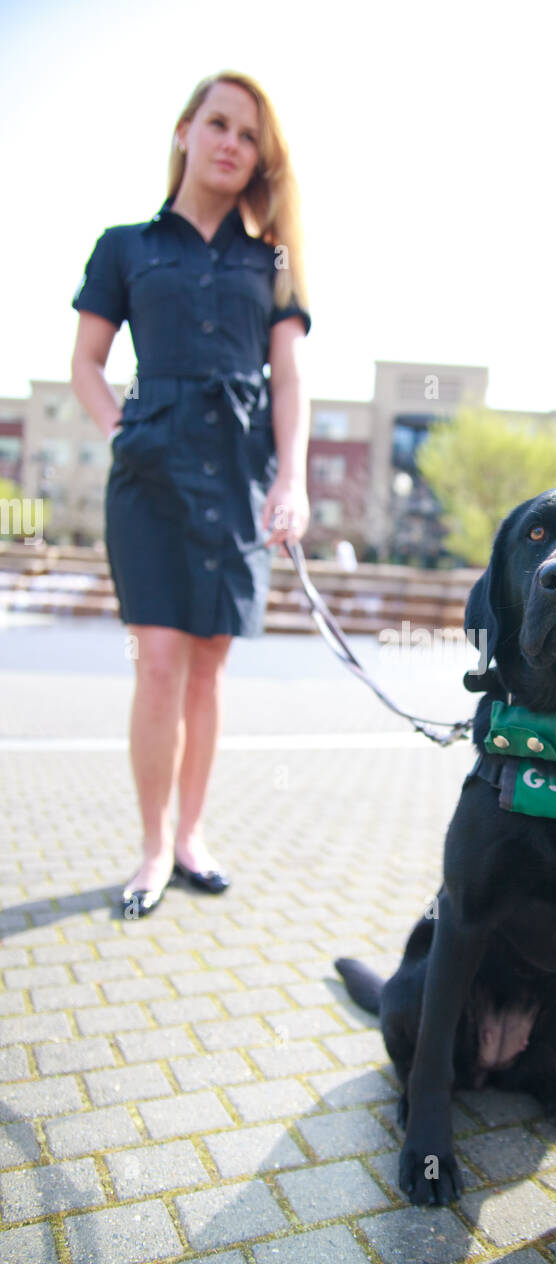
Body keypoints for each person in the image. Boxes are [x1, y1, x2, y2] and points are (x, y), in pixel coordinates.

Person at [70, 71, 311, 917]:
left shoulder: (273, 258)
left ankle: (190, 839)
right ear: (184, 131)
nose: (231, 144)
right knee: (160, 660)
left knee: (208, 668)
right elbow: (85, 364)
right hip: (151, 473)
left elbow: (290, 378)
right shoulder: (125, 247)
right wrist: (121, 431)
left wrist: (293, 478)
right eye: (218, 124)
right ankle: (150, 848)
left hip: (239, 475)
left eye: (249, 136)